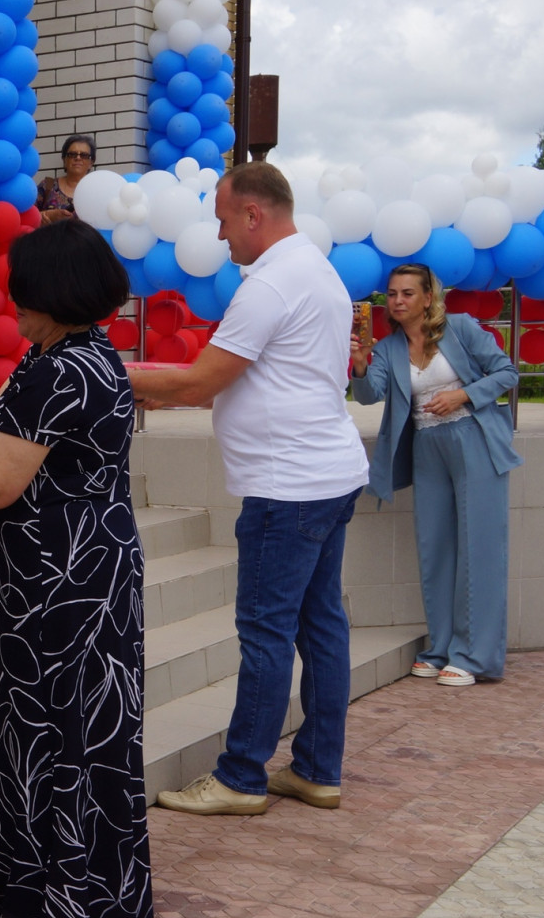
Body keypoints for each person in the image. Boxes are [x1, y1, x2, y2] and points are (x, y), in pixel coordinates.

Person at [0, 219, 153, 918]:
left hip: (56, 584)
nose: (12, 297)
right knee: (89, 726)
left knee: (48, 726)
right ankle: (97, 877)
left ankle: (48, 881)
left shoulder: (55, 369)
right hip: (95, 567)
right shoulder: (84, 354)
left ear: (49, 289)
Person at [129, 161, 370, 816]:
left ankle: (241, 777)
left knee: (267, 631)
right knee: (322, 627)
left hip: (287, 488)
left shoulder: (270, 284)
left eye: (224, 219)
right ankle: (317, 769)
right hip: (326, 474)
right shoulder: (316, 269)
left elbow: (200, 382)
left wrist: (104, 373)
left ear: (254, 214)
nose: (220, 234)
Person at [352, 264, 521, 685]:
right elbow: (371, 394)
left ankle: (475, 657)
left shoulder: (460, 328)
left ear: (428, 297)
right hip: (426, 448)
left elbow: (507, 372)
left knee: (478, 547)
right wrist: (358, 363)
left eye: (407, 293)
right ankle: (441, 647)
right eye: (391, 294)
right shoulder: (389, 347)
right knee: (435, 548)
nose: (397, 301)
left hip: (474, 440)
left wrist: (463, 394)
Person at [37, 134, 95, 224]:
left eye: (84, 155)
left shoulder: (97, 190)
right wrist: (46, 215)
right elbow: (28, 216)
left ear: (91, 163)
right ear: (64, 160)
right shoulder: (47, 186)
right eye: (72, 154)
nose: (78, 158)